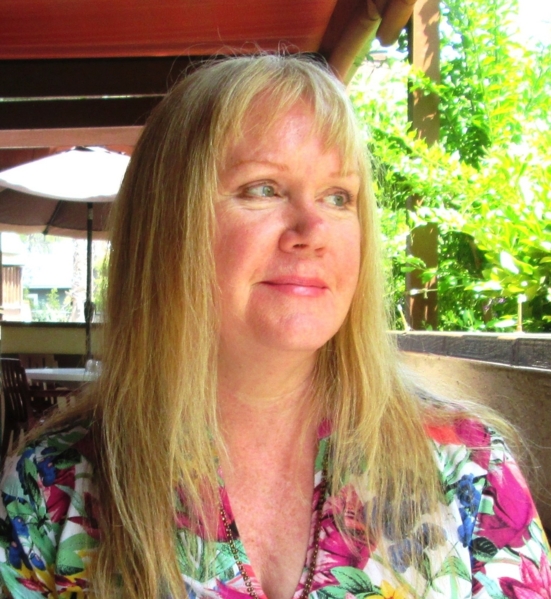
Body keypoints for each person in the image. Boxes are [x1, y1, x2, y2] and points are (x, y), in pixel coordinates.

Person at [0, 55, 549, 599]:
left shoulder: (469, 473)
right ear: (166, 225)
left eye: (339, 197)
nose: (313, 229)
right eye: (263, 188)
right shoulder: (53, 488)